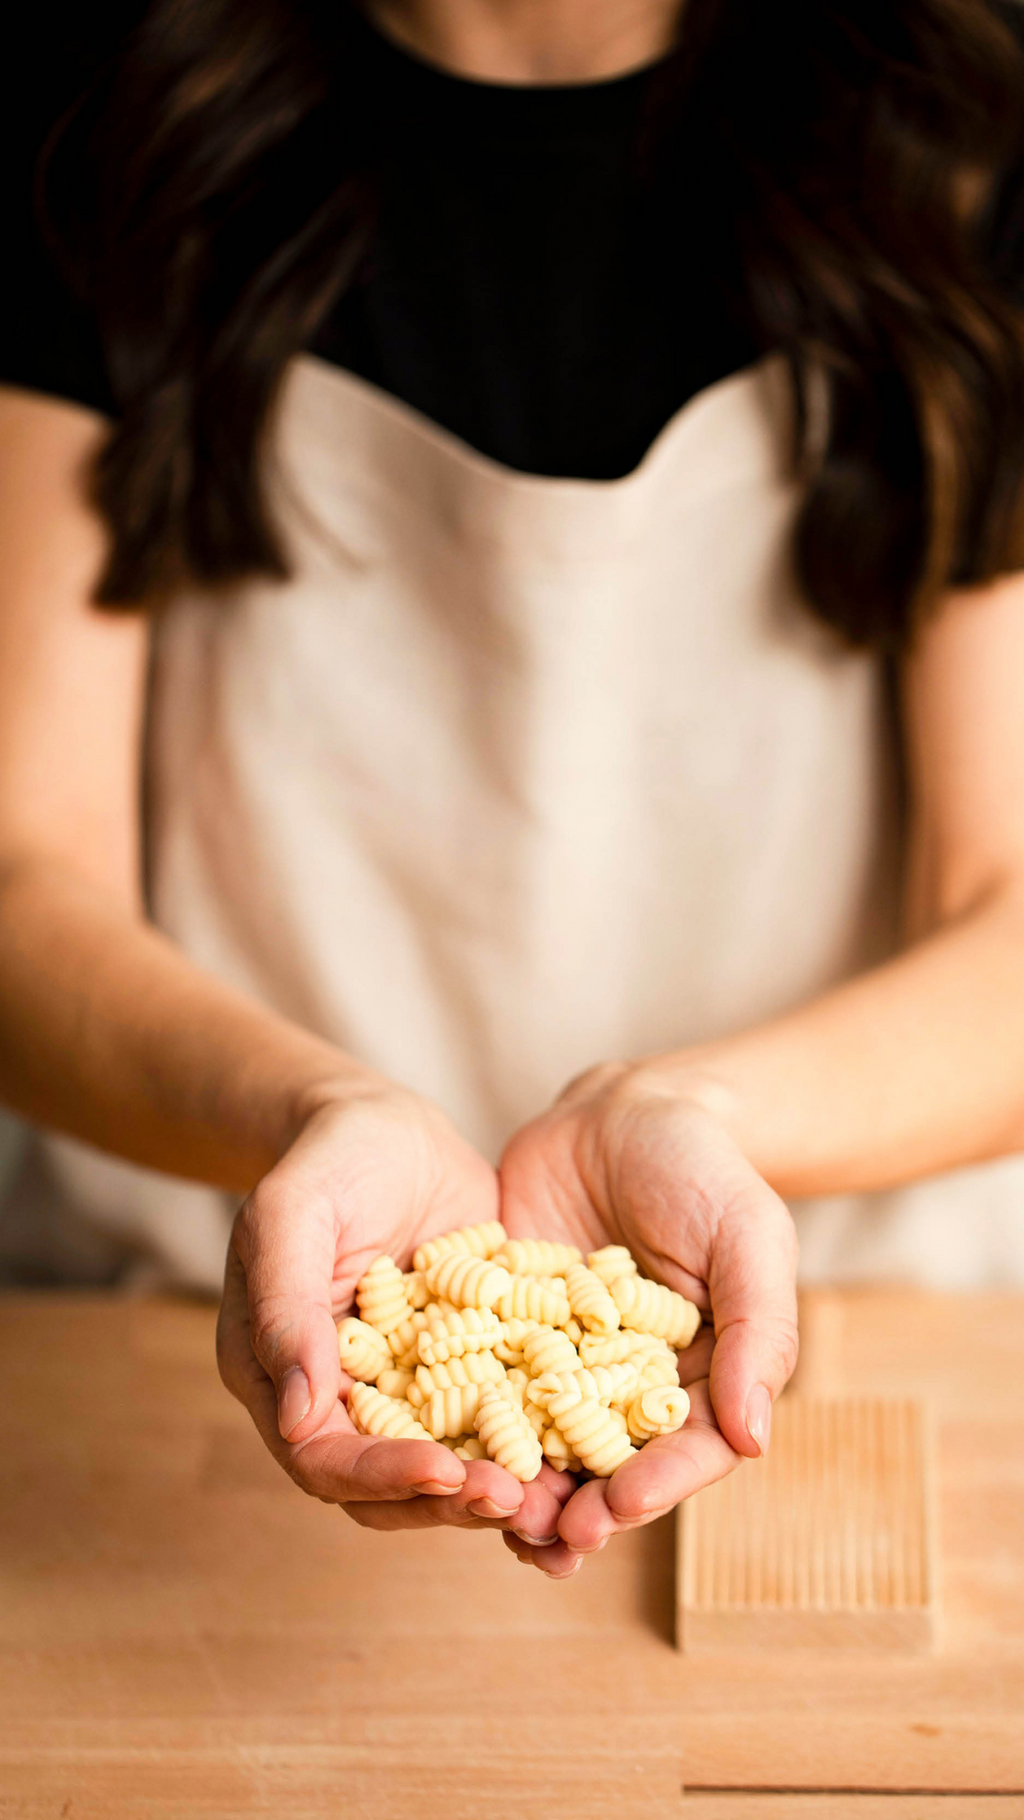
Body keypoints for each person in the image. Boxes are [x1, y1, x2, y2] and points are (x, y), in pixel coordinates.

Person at [2, 0, 1024, 1582]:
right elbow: (23, 876)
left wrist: (708, 1119)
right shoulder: (105, 114)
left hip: (856, 1371)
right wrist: (307, 1112)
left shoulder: (958, 133)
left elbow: (1005, 908)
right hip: (177, 1377)